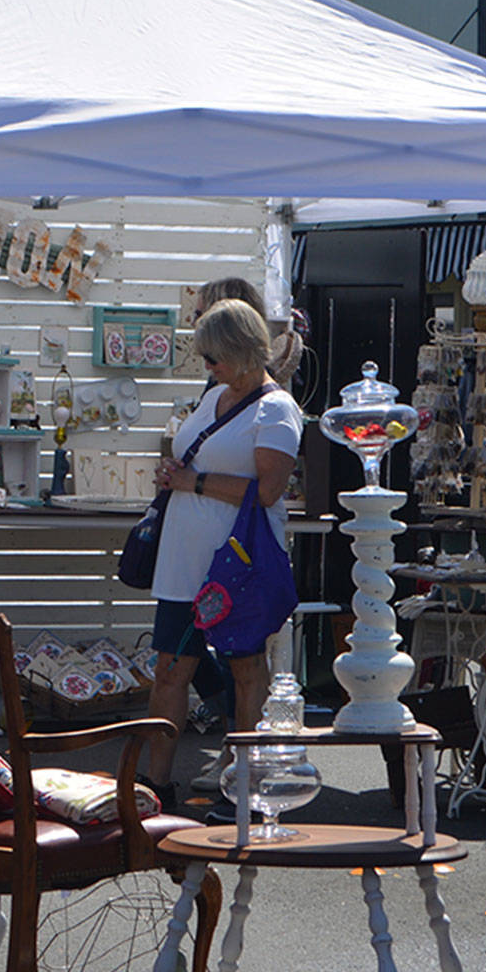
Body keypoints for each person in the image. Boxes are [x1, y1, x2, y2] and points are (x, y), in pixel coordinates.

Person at [138, 299, 303, 801]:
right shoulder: (214, 398)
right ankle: (156, 782)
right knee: (170, 669)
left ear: (242, 351)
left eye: (214, 358)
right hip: (187, 557)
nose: (208, 368)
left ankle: (245, 786)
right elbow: (195, 457)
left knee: (245, 669)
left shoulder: (277, 409)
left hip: (237, 562)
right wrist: (177, 476)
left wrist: (195, 480)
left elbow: (270, 489)